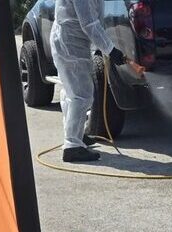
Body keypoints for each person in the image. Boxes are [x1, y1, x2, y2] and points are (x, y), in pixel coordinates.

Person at [51, 0, 128, 163]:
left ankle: (75, 136)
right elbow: (88, 23)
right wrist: (110, 49)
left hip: (69, 42)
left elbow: (95, 18)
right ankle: (72, 147)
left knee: (71, 92)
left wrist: (105, 46)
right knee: (81, 95)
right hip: (70, 45)